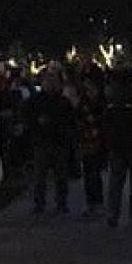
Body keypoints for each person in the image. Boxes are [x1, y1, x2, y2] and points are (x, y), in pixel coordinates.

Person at [104, 70, 132, 227]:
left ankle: (113, 214)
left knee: (116, 182)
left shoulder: (110, 97)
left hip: (117, 144)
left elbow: (106, 121)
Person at [27, 70, 76, 214]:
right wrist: (36, 123)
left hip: (59, 143)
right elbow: (27, 116)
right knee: (40, 177)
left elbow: (70, 120)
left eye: (54, 81)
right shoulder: (36, 101)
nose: (51, 84)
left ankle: (61, 203)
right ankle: (39, 203)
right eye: (48, 81)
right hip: (42, 143)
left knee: (60, 177)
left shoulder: (63, 102)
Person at [77, 76, 106, 217]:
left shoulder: (101, 104)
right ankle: (91, 203)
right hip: (86, 142)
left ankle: (98, 202)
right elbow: (77, 119)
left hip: (98, 143)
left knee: (95, 174)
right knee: (89, 174)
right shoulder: (83, 104)